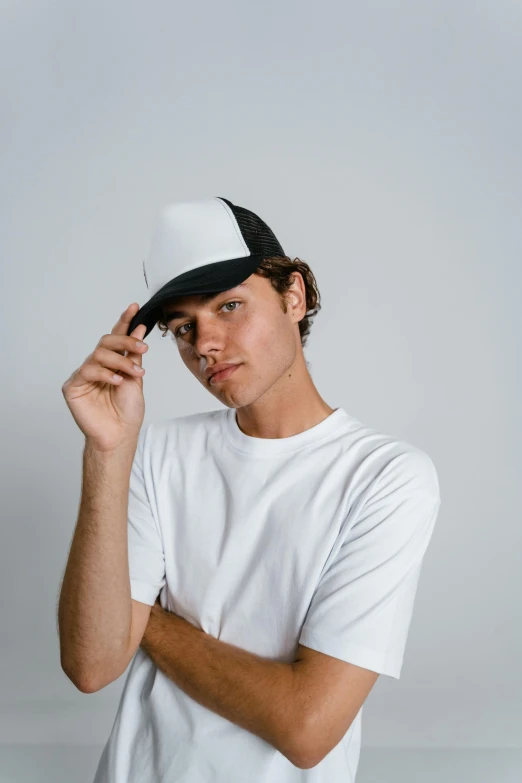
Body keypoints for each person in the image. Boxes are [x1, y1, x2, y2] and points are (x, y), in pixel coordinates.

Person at [58, 197, 441, 782]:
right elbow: (92, 666)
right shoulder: (151, 453)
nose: (204, 342)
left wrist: (145, 617)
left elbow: (306, 727)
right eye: (183, 328)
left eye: (228, 305)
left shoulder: (384, 476)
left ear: (294, 295)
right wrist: (107, 451)